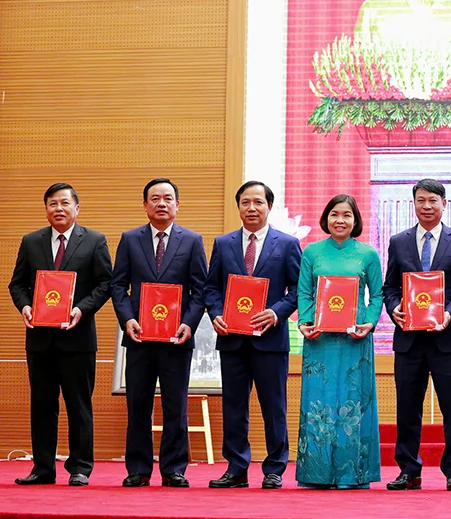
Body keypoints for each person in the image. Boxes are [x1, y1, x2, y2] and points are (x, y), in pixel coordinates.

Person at [9, 183, 112, 487]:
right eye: (53, 203)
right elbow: (17, 284)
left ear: (77, 208)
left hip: (78, 339)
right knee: (42, 404)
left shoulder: (94, 241)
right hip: (40, 340)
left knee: (78, 404)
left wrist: (81, 309)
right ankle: (43, 467)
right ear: (46, 209)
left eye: (65, 203)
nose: (59, 208)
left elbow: (105, 284)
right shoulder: (31, 242)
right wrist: (26, 307)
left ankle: (80, 467)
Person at [382, 178, 451, 492]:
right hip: (409, 340)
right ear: (414, 203)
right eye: (421, 200)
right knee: (407, 408)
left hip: (447, 339)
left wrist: (450, 313)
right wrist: (395, 307)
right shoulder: (399, 241)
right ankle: (408, 470)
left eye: (433, 201)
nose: (427, 206)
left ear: (444, 204)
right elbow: (390, 287)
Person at [110, 178, 209, 488]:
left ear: (177, 205)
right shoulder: (129, 239)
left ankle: (173, 469)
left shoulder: (192, 240)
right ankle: (138, 469)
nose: (161, 203)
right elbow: (118, 285)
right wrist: (126, 319)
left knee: (175, 405)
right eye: (155, 198)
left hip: (176, 339)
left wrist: (189, 324)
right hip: (138, 337)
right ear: (145, 205)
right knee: (138, 404)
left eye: (168, 198)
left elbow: (201, 288)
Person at [205, 181, 302, 490]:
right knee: (234, 406)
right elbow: (211, 288)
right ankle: (236, 468)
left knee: (274, 406)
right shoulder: (223, 244)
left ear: (268, 207)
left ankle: (275, 468)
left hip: (270, 340)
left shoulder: (286, 244)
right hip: (232, 339)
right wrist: (217, 314)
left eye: (258, 202)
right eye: (245, 202)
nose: (251, 208)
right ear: (238, 207)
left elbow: (299, 289)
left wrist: (276, 313)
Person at [295, 194, 383, 489]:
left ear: (356, 220)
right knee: (318, 403)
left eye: (347, 215)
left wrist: (369, 323)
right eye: (334, 214)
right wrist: (306, 322)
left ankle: (352, 474)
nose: (340, 220)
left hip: (354, 341)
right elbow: (304, 293)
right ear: (326, 218)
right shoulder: (312, 252)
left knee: (352, 405)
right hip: (319, 341)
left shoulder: (367, 254)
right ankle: (316, 474)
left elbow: (378, 295)